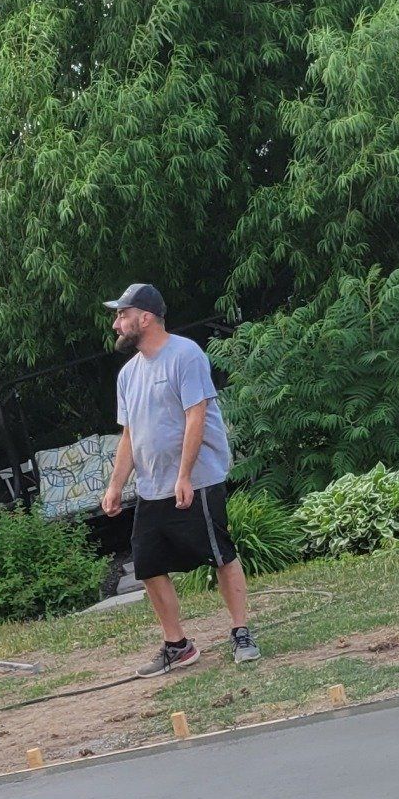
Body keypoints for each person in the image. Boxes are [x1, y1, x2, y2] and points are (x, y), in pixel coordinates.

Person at [98, 282, 260, 673]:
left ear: (145, 317)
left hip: (197, 479)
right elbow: (130, 435)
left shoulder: (185, 355)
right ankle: (178, 645)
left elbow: (196, 416)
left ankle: (241, 632)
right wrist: (116, 485)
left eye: (122, 314)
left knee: (219, 555)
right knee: (149, 564)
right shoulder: (128, 375)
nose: (117, 323)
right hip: (153, 487)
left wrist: (184, 475)